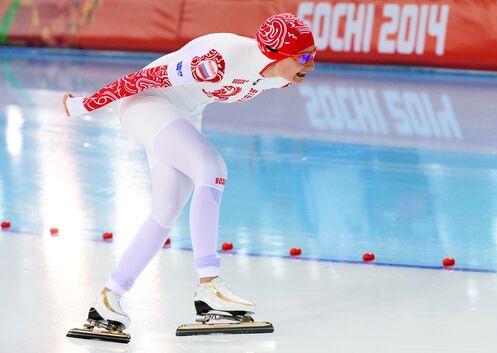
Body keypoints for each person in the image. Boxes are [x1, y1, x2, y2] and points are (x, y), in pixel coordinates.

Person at [64, 12, 316, 340]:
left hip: (184, 114)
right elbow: (140, 80)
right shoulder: (218, 60)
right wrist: (83, 104)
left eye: (314, 54)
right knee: (212, 169)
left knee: (167, 208)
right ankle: (209, 286)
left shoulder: (280, 77)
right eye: (304, 57)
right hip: (147, 104)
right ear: (276, 54)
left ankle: (107, 301)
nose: (311, 64)